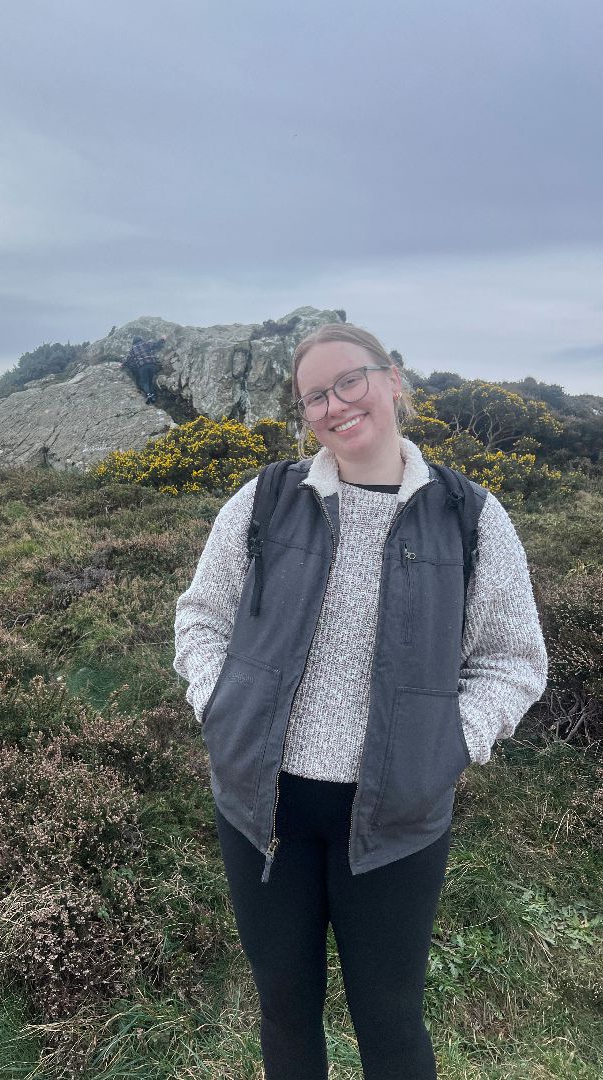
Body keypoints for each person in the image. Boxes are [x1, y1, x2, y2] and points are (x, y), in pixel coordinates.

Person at [173, 322, 548, 1080]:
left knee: (391, 1019)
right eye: (316, 395)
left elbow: (514, 660)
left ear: (393, 380)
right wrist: (220, 706)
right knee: (283, 1007)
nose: (337, 404)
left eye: (351, 380)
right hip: (262, 807)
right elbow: (200, 615)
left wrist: (451, 741)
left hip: (398, 819)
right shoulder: (265, 500)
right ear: (306, 413)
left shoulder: (470, 518)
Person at [121, 335, 166, 403]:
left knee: (145, 382)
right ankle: (153, 396)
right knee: (150, 381)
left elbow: (128, 359)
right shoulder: (146, 344)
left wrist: (122, 364)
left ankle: (148, 395)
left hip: (142, 367)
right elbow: (155, 345)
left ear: (134, 342)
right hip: (152, 365)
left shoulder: (132, 349)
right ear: (141, 339)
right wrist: (162, 340)